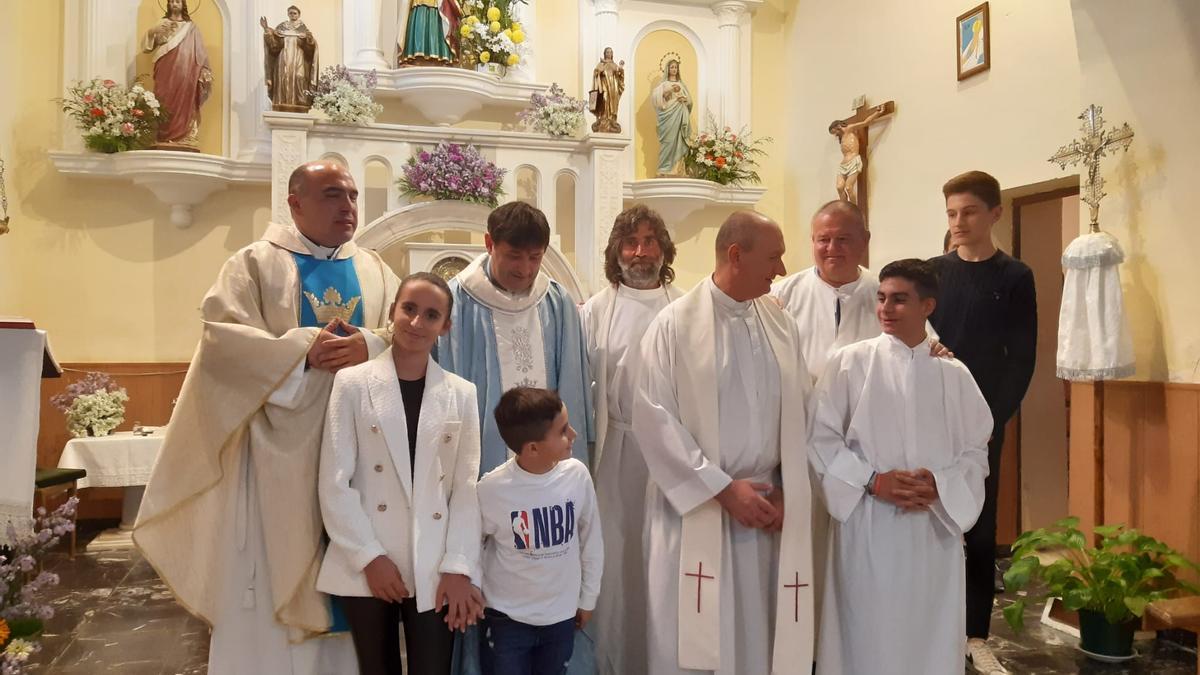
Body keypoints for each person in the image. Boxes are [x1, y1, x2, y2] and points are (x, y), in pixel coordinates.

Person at [134, 160, 401, 675]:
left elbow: (400, 332)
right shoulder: (253, 264)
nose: (347, 207)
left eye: (351, 196)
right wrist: (302, 350)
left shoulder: (372, 267)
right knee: (271, 562)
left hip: (358, 453)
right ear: (294, 202)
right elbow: (222, 341)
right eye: (331, 195)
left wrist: (368, 344)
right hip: (277, 454)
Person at [634, 211, 815, 674]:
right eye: (773, 257)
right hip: (699, 509)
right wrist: (722, 488)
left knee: (759, 642)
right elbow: (655, 421)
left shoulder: (780, 324)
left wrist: (789, 487)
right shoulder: (674, 326)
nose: (780, 269)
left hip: (764, 509)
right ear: (736, 255)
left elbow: (803, 411)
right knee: (698, 644)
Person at [811, 258, 992, 675]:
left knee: (926, 634)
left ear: (927, 306)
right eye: (881, 298)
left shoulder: (953, 373)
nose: (886, 309)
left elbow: (975, 450)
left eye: (899, 299)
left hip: (931, 530)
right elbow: (820, 438)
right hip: (869, 525)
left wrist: (941, 485)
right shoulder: (849, 363)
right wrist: (873, 481)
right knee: (866, 630)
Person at [436, 201, 593, 673]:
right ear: (488, 245)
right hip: (485, 474)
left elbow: (574, 384)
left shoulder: (556, 300)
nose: (525, 270)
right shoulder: (457, 301)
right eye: (513, 257)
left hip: (551, 480)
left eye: (535, 258)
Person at [318, 272, 484, 675]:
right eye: (409, 308)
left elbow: (465, 488)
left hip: (435, 562)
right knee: (377, 669)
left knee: (433, 668)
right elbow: (334, 481)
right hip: (369, 558)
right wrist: (369, 557)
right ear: (392, 311)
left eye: (431, 315)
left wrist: (459, 566)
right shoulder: (352, 383)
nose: (416, 322)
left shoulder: (462, 393)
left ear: (445, 326)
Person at [929, 170, 1037, 675]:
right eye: (952, 213)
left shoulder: (1015, 277)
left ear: (995, 214)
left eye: (969, 212)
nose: (959, 222)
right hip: (929, 417)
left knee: (976, 523)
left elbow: (1022, 358)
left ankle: (975, 634)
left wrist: (992, 420)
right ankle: (928, 621)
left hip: (983, 424)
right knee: (927, 518)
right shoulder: (933, 272)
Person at [579, 205, 682, 675]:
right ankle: (611, 661)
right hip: (614, 454)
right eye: (630, 242)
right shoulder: (595, 310)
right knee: (617, 562)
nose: (640, 252)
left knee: (662, 561)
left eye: (649, 241)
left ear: (664, 248)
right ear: (616, 251)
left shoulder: (684, 307)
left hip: (671, 458)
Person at [476, 387, 603, 675]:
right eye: (562, 431)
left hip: (560, 618)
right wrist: (474, 589)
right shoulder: (491, 489)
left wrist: (587, 598)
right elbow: (471, 544)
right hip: (506, 620)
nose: (573, 435)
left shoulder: (577, 476)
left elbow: (591, 538)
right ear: (532, 448)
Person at [142, 0, 212, 148]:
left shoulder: (191, 27)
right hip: (165, 69)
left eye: (178, 1)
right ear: (168, 4)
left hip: (187, 71)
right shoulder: (162, 22)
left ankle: (183, 135)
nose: (175, 4)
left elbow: (200, 51)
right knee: (162, 97)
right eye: (172, 1)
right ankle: (163, 135)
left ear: (183, 4)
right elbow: (147, 45)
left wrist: (204, 70)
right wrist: (153, 32)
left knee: (185, 98)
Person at [261, 6, 319, 112]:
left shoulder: (303, 29)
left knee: (299, 76)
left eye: (295, 13)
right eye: (291, 13)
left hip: (298, 58)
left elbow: (309, 50)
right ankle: (281, 102)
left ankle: (300, 101)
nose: (293, 15)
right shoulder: (281, 28)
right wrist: (266, 30)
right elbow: (274, 46)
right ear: (288, 14)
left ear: (299, 15)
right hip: (283, 58)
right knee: (283, 77)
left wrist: (310, 40)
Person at [828, 105, 885, 204]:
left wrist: (878, 113)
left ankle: (854, 211)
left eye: (835, 132)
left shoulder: (850, 129)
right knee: (839, 187)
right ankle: (845, 209)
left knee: (849, 187)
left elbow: (865, 122)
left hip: (854, 161)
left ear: (838, 126)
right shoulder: (841, 138)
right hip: (843, 165)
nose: (836, 135)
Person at [653, 58, 692, 176]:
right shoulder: (663, 84)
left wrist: (684, 99)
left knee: (679, 140)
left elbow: (690, 101)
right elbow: (659, 100)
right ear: (668, 69)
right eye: (672, 67)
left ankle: (677, 169)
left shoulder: (682, 85)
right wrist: (670, 89)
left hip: (680, 114)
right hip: (668, 116)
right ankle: (664, 168)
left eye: (676, 67)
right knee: (668, 141)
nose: (674, 69)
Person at [398, 0, 462, 66]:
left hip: (438, 6)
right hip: (420, 5)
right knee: (421, 23)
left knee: (438, 26)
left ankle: (440, 57)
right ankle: (418, 57)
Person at [590, 47, 625, 133]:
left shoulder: (614, 64)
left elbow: (619, 75)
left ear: (612, 54)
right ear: (604, 54)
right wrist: (600, 70)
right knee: (604, 100)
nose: (609, 54)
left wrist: (620, 69)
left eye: (610, 52)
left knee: (612, 103)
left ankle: (611, 120)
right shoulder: (601, 64)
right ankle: (603, 118)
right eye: (607, 52)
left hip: (613, 87)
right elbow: (596, 72)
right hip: (604, 85)